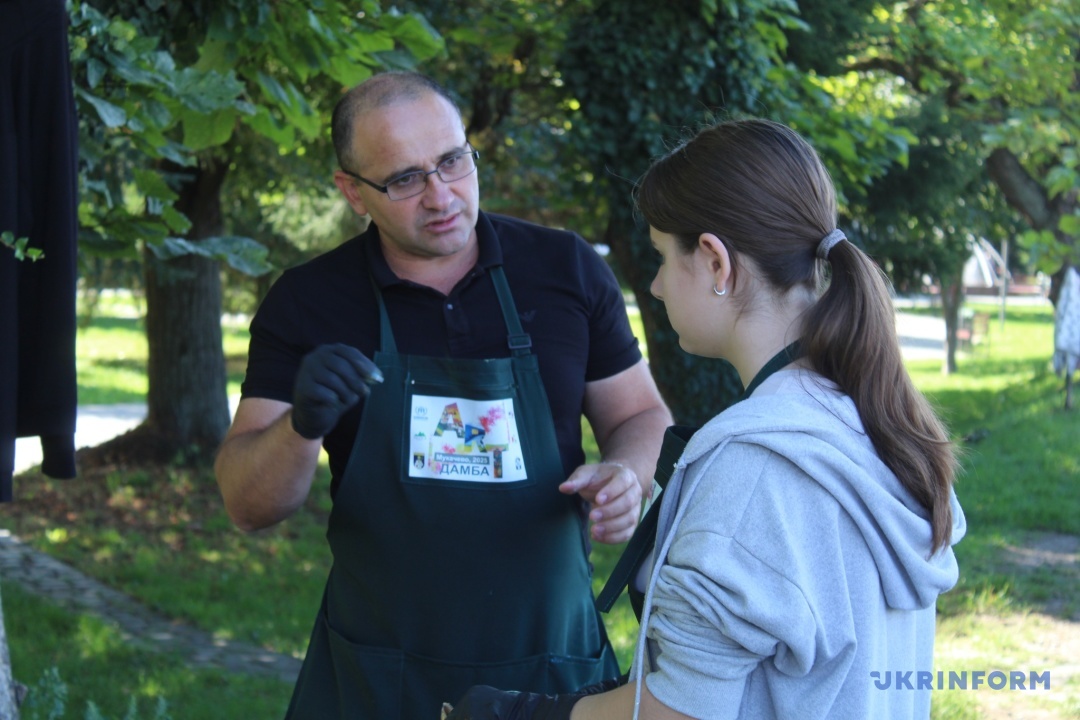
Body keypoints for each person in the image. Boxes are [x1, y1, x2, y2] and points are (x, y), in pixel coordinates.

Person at [447, 118, 966, 719]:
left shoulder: (754, 472)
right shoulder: (868, 420)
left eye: (664, 256)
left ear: (716, 263)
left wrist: (521, 714)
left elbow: (677, 714)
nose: (656, 286)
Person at [213, 70, 672, 719]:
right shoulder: (308, 301)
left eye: (453, 161)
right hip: (376, 679)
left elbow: (641, 413)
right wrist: (300, 426)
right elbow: (247, 506)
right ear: (352, 191)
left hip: (549, 677)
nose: (441, 195)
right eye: (405, 179)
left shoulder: (563, 268)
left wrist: (627, 472)